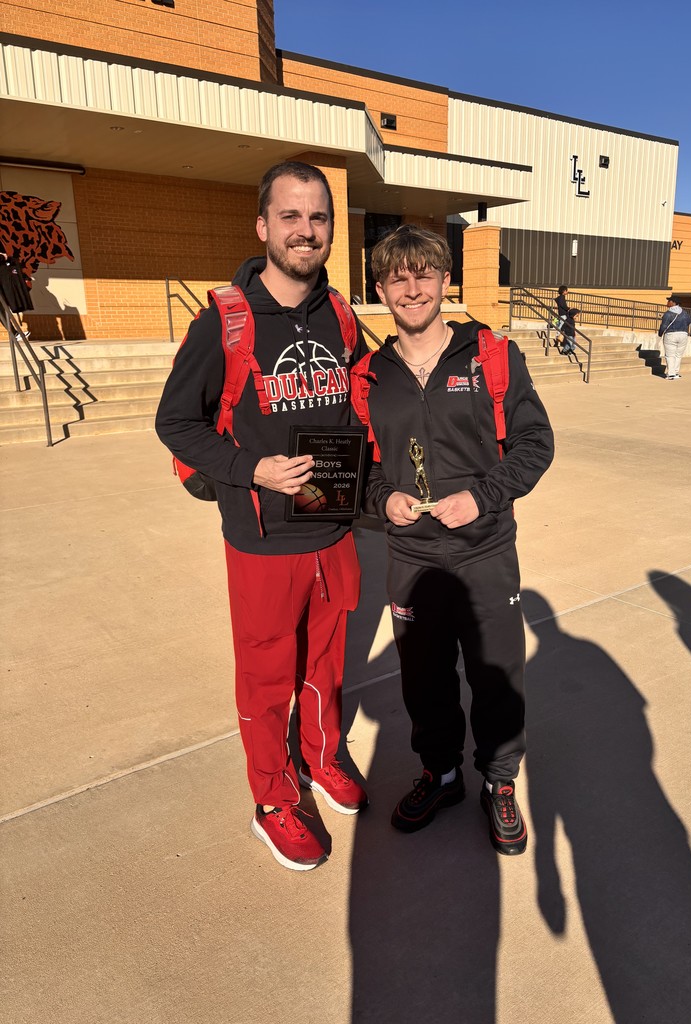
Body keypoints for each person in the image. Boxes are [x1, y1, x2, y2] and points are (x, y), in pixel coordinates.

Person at [156, 161, 368, 872]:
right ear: (263, 226)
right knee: (267, 674)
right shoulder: (223, 321)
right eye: (291, 216)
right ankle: (272, 798)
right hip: (262, 537)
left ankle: (320, 758)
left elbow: (371, 399)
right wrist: (252, 469)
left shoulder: (341, 316)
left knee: (327, 666)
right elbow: (176, 423)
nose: (305, 231)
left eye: (318, 218)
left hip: (333, 526)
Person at [352, 225, 554, 855]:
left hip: (486, 550)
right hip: (411, 556)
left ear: (446, 281)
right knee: (424, 677)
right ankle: (439, 774)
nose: (412, 289)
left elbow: (534, 444)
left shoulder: (492, 356)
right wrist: (381, 499)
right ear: (380, 288)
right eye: (397, 278)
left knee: (497, 674)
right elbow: (350, 468)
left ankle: (498, 782)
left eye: (424, 274)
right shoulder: (367, 376)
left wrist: (484, 496)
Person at [659, 295, 691, 380]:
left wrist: (660, 333)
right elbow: (689, 321)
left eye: (669, 301)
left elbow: (664, 326)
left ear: (673, 302)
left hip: (671, 335)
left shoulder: (668, 313)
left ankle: (671, 374)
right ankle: (676, 372)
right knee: (678, 355)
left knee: (670, 355)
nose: (667, 302)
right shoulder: (684, 313)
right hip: (683, 335)